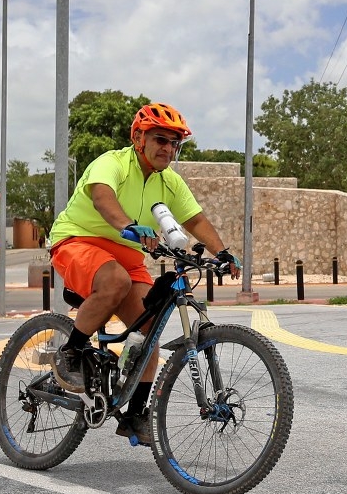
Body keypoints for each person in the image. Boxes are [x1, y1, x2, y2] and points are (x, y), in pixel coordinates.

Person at [45, 102, 234, 440]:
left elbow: (195, 220)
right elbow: (103, 198)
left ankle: (134, 415)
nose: (168, 148)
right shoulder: (112, 162)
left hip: (127, 254)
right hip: (79, 240)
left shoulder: (170, 181)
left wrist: (224, 253)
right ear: (138, 138)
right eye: (160, 139)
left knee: (150, 327)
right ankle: (69, 354)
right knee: (114, 281)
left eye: (175, 143)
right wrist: (129, 225)